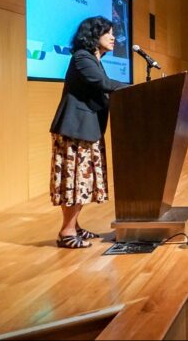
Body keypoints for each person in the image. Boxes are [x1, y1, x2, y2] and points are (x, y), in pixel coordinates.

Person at [50, 16, 127, 249]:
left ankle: (74, 226)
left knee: (81, 183)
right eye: (108, 32)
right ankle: (67, 231)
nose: (114, 37)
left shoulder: (93, 58)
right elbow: (102, 83)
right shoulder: (82, 57)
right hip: (76, 130)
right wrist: (137, 88)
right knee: (75, 182)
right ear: (94, 35)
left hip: (86, 129)